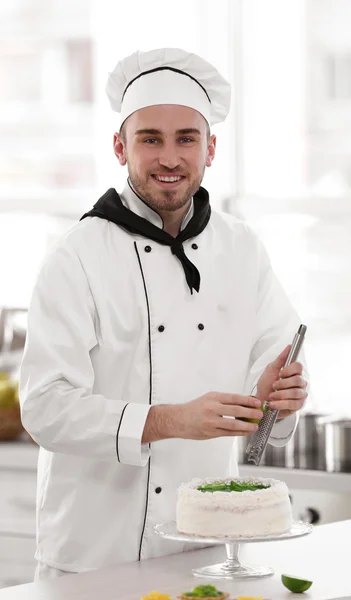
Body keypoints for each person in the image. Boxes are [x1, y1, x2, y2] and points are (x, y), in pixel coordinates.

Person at [19, 48, 308, 581]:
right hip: (92, 556)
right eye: (150, 138)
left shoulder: (243, 249)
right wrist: (170, 420)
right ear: (119, 146)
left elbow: (274, 373)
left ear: (211, 148)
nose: (169, 158)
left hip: (209, 554)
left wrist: (279, 396)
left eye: (186, 139)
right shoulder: (76, 254)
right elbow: (43, 406)